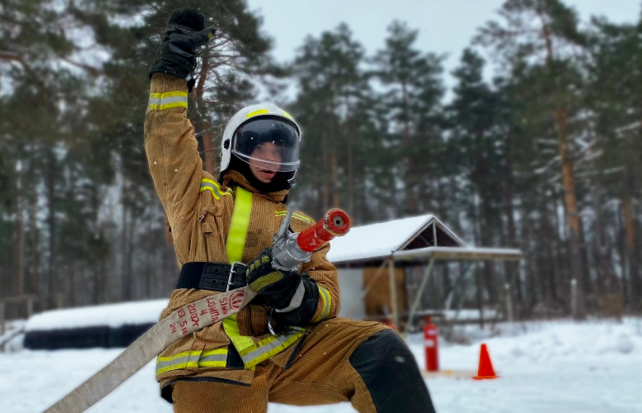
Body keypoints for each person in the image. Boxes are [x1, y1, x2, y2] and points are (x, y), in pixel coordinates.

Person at [145, 9, 436, 413]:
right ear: (233, 148)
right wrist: (174, 71)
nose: (270, 157)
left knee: (379, 350)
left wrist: (292, 294)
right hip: (210, 350)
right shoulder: (199, 198)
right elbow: (166, 138)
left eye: (281, 149)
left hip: (281, 346)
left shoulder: (299, 227)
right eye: (258, 145)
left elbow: (328, 297)